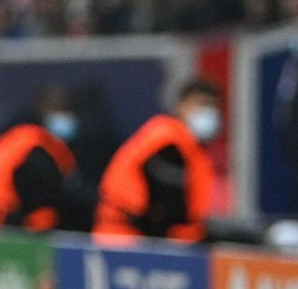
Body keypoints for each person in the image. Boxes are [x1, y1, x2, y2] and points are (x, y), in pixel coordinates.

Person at [93, 79, 222, 244]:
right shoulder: (168, 144)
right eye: (201, 104)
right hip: (127, 239)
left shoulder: (188, 146)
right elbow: (170, 210)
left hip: (141, 238)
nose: (208, 112)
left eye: (212, 106)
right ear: (180, 106)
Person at [0, 86, 89, 237]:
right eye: (57, 109)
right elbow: (41, 203)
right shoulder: (34, 146)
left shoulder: (15, 134)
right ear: (42, 109)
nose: (63, 116)